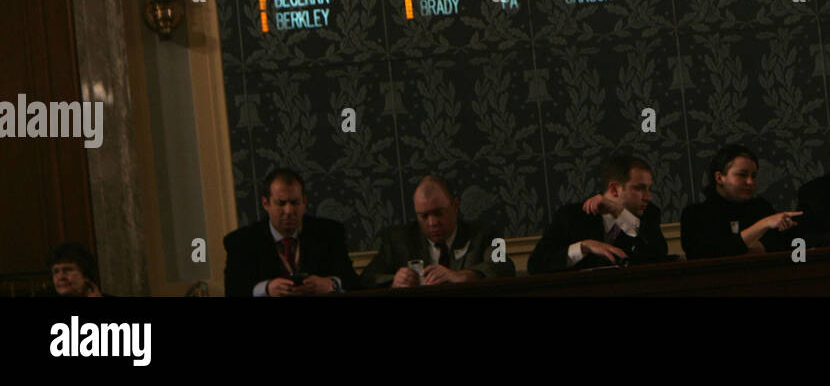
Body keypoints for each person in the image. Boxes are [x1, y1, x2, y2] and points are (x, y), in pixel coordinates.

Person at [360, 174, 515, 288]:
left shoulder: (484, 232)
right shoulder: (398, 240)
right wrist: (394, 280)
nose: (432, 223)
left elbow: (504, 265)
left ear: (455, 206)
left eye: (438, 213)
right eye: (424, 216)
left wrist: (463, 276)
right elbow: (366, 279)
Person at [222, 167, 358, 296]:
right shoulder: (241, 241)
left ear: (304, 201)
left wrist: (331, 284)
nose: (288, 211)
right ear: (266, 203)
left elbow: (353, 281)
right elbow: (233, 290)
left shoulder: (329, 233)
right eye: (281, 203)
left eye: (295, 203)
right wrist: (266, 289)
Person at [527, 155, 669, 273]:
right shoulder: (573, 215)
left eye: (649, 189)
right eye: (640, 188)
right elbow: (536, 265)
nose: (648, 197)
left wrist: (620, 213)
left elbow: (660, 257)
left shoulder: (650, 214)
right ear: (614, 189)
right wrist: (583, 247)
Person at [680, 144, 801, 258]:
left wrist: (737, 248)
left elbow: (779, 247)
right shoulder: (695, 214)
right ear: (719, 177)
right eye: (742, 175)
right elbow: (706, 254)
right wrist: (762, 225)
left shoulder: (761, 207)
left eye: (753, 176)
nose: (750, 182)